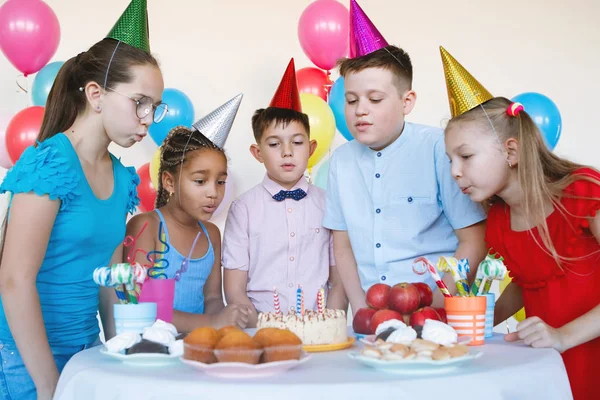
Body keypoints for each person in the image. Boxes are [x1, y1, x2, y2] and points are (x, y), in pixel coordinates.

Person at [0, 1, 165, 398]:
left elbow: (108, 281)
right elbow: (14, 280)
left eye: (154, 108)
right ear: (95, 94)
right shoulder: (50, 164)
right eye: (139, 102)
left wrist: (118, 354)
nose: (147, 117)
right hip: (27, 359)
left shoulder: (123, 177)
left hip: (85, 353)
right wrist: (47, 384)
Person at [223, 59, 347, 327]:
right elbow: (234, 290)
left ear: (311, 148)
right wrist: (261, 326)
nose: (287, 152)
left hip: (318, 330)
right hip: (260, 327)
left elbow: (339, 281)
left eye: (297, 142)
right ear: (257, 153)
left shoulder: (329, 204)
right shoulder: (243, 209)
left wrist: (328, 325)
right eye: (275, 143)